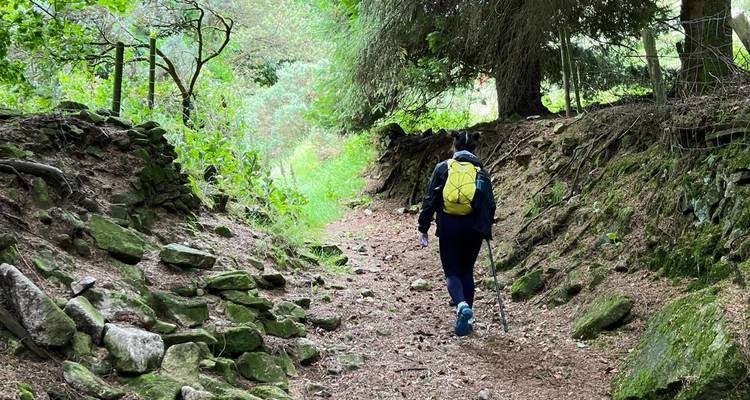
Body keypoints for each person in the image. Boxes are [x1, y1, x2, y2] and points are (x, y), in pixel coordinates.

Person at [417, 130, 496, 337]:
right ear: (474, 148)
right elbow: (490, 204)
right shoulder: (481, 172)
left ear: (455, 146)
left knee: (452, 272)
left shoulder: (443, 168)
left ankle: (461, 306)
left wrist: (423, 227)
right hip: (473, 227)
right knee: (467, 271)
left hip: (449, 225)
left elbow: (429, 199)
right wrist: (487, 227)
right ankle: (467, 320)